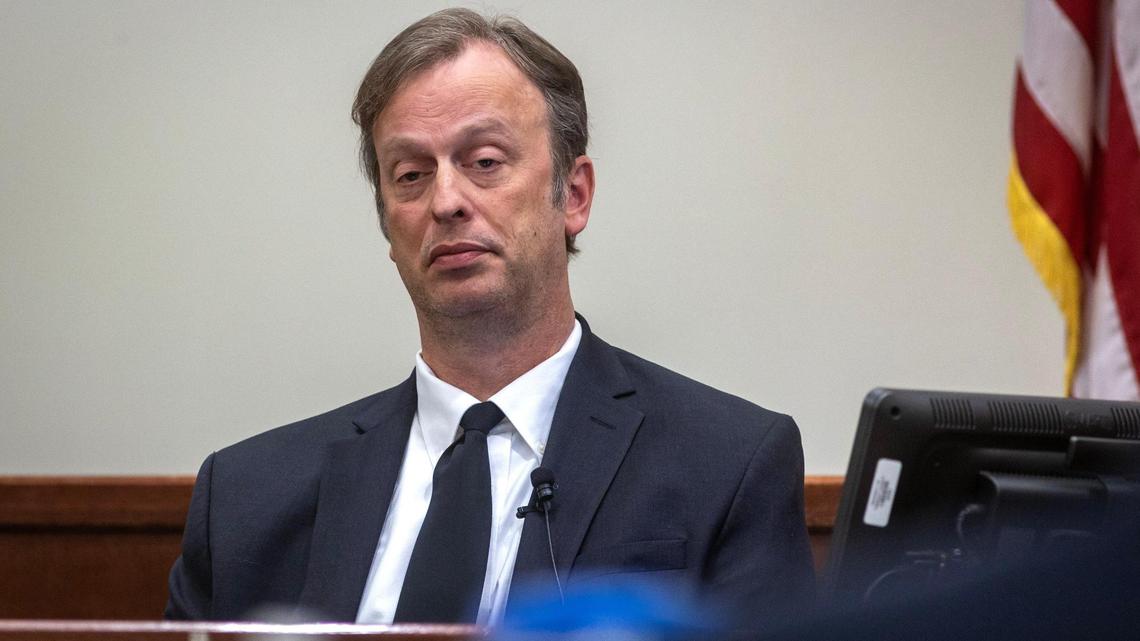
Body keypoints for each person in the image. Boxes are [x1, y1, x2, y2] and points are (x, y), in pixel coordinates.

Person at [165, 7, 814, 632]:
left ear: (574, 194)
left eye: (484, 163)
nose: (446, 200)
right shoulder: (246, 498)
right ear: (388, 224)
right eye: (411, 174)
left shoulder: (726, 464)